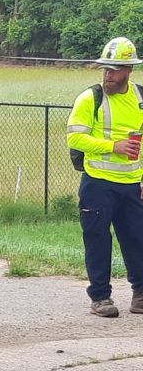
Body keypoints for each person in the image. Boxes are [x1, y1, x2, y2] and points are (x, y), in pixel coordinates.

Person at [66, 36, 143, 318]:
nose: (108, 74)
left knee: (137, 239)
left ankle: (140, 295)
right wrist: (114, 146)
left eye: (114, 69)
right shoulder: (90, 98)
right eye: (105, 68)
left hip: (131, 184)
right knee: (98, 239)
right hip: (97, 182)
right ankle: (100, 297)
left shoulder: (140, 98)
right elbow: (75, 138)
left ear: (129, 70)